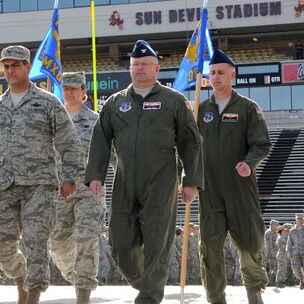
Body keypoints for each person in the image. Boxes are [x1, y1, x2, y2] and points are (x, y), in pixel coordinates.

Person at [85, 40, 203, 304]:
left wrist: (191, 181)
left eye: (145, 64)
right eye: (135, 65)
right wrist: (96, 174)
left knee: (157, 242)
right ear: (130, 69)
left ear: (157, 68)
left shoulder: (174, 101)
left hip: (161, 181)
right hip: (125, 180)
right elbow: (101, 139)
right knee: (120, 245)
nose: (139, 68)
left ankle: (149, 296)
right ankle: (147, 281)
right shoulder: (115, 103)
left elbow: (191, 142)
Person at [0, 45, 83, 304]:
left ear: (27, 67)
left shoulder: (47, 102)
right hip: (3, 186)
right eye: (6, 66)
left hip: (39, 185)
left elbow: (69, 142)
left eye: (15, 65)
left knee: (36, 241)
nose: (10, 71)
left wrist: (70, 177)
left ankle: (32, 294)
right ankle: (21, 276)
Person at [197, 49, 272, 303]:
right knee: (210, 248)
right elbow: (188, 147)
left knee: (250, 241)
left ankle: (253, 290)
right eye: (212, 73)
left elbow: (262, 143)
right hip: (209, 190)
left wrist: (249, 163)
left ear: (232, 75)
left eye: (220, 72)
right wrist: (187, 178)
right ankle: (216, 298)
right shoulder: (200, 109)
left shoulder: (248, 108)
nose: (216, 77)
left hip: (240, 187)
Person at [48, 72, 105, 304]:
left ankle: (83, 291)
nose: (69, 92)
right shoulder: (51, 122)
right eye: (66, 88)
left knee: (85, 238)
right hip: (59, 193)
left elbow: (110, 155)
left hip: (88, 192)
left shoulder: (96, 122)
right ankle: (77, 277)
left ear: (84, 93)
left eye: (74, 88)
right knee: (58, 246)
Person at [287, 213, 304, 289]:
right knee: (295, 269)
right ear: (295, 220)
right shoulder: (292, 231)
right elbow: (289, 242)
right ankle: (301, 279)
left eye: (301, 218)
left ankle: (302, 282)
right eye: (298, 218)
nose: (299, 220)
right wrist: (289, 252)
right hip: (295, 252)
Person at [264, 220, 280, 286]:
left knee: (275, 267)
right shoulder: (269, 233)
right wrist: (271, 253)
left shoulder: (274, 232)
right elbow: (268, 245)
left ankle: (272, 280)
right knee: (273, 267)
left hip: (275, 252)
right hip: (272, 253)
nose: (277, 227)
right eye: (276, 225)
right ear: (272, 225)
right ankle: (271, 281)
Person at [276, 224, 290, 288]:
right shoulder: (281, 238)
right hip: (281, 255)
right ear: (281, 231)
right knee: (281, 269)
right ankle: (279, 282)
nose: (286, 231)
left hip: (283, 255)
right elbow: (284, 247)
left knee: (283, 268)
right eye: (284, 230)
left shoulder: (284, 237)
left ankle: (282, 281)